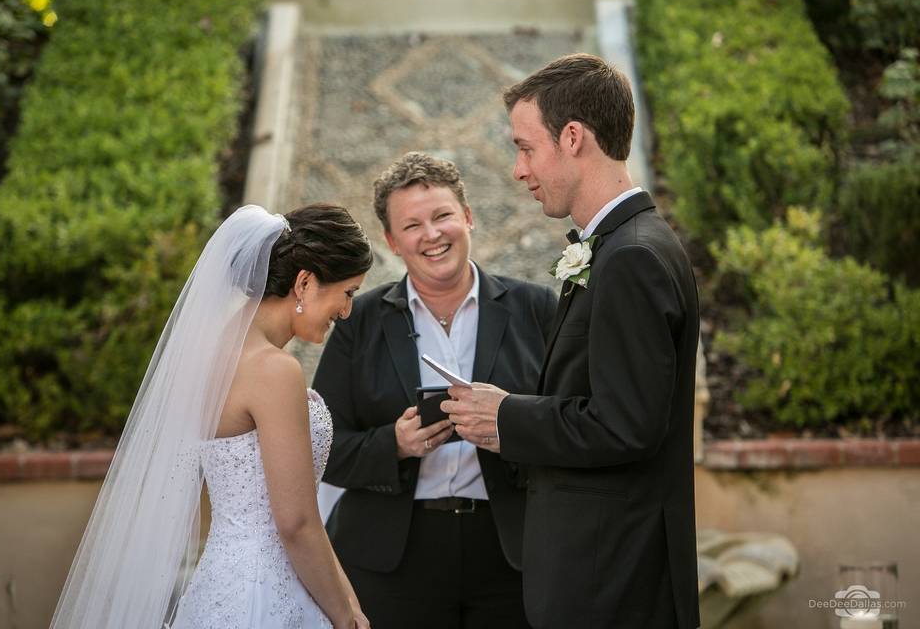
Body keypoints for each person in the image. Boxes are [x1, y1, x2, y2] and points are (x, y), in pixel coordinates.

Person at [442, 54, 701, 628]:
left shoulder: (631, 257)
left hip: (614, 583)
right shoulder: (619, 247)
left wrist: (508, 417)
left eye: (526, 147)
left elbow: (626, 425)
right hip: (600, 575)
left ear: (574, 138)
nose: (518, 170)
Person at [50, 204, 373, 629]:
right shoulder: (273, 370)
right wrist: (346, 617)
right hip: (268, 597)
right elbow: (295, 522)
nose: (347, 311)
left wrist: (349, 604)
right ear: (305, 282)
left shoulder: (213, 353)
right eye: (347, 293)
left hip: (220, 588)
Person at [313, 152, 556, 628]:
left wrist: (510, 427)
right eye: (412, 225)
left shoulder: (536, 308)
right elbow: (321, 449)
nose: (432, 234)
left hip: (510, 551)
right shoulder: (356, 321)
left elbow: (568, 421)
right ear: (391, 242)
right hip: (389, 558)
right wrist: (394, 445)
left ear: (468, 217)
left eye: (443, 215)